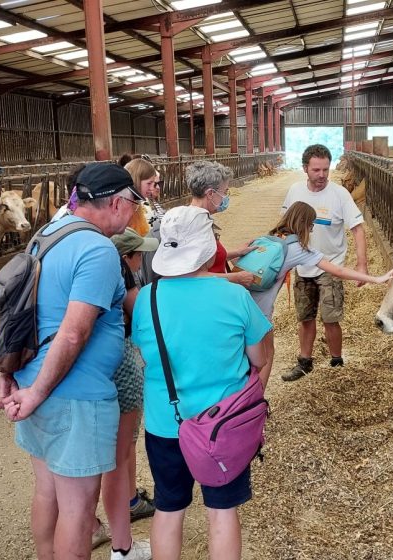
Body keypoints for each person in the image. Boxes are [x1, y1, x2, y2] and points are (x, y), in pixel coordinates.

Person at [0, 162, 143, 559]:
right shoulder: (97, 249)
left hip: (32, 382)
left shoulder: (48, 234)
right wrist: (39, 391)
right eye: (133, 205)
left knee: (48, 491)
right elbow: (74, 331)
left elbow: (22, 311)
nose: (134, 215)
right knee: (77, 509)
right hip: (75, 395)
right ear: (116, 202)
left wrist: (13, 376)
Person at [131, 205, 271, 560]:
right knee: (221, 511)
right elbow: (260, 357)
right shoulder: (235, 296)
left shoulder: (147, 299)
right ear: (207, 246)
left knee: (168, 508)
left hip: (167, 423)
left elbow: (145, 355)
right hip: (222, 425)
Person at [244, 202, 393, 384]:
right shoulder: (298, 250)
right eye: (311, 225)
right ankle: (257, 403)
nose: (312, 229)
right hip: (260, 314)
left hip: (240, 303)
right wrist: (377, 279)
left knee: (243, 359)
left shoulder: (268, 238)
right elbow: (337, 271)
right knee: (265, 356)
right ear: (305, 224)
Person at [280, 144, 369, 382]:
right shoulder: (295, 191)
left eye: (325, 170)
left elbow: (358, 230)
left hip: (331, 265)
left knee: (331, 317)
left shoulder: (339, 194)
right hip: (303, 265)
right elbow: (284, 226)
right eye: (316, 170)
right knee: (305, 317)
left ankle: (336, 362)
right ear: (305, 169)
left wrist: (362, 265)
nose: (321, 175)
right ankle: (305, 362)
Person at [99, 228, 158, 560]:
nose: (141, 260)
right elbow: (142, 315)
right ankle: (122, 547)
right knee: (118, 456)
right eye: (136, 254)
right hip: (122, 365)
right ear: (126, 258)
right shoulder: (123, 284)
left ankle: (110, 523)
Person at [185, 160, 256, 287]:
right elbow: (192, 275)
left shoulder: (200, 219)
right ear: (210, 194)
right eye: (224, 192)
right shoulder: (193, 225)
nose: (225, 197)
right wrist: (237, 278)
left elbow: (208, 259)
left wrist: (238, 252)